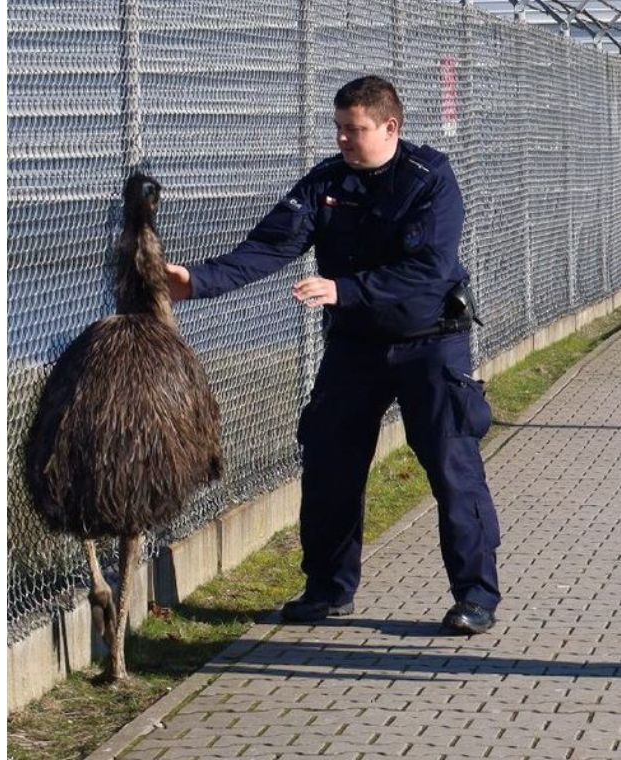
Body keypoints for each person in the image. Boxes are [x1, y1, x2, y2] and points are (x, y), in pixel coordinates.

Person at [166, 75, 501, 635]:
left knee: (451, 467)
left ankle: (475, 595)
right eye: (339, 128)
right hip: (355, 348)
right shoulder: (327, 182)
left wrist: (344, 290)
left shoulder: (429, 180)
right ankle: (327, 589)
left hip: (430, 343)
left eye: (356, 129)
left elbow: (430, 270)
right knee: (329, 465)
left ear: (390, 127)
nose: (344, 139)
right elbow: (269, 247)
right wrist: (195, 281)